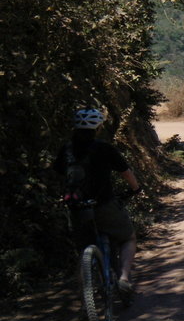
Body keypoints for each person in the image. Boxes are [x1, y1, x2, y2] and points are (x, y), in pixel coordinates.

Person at [54, 108, 141, 299]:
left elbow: (58, 174)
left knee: (83, 251)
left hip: (77, 209)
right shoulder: (104, 148)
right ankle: (124, 278)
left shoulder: (66, 150)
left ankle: (86, 300)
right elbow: (126, 173)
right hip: (104, 205)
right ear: (98, 127)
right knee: (128, 238)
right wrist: (136, 189)